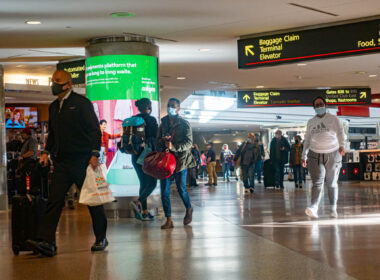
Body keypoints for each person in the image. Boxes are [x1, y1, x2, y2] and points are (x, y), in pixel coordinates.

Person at [27, 70, 108, 257]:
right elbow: (53, 134)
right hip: (62, 162)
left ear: (69, 84)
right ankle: (47, 241)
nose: (53, 84)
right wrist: (46, 152)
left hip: (83, 160)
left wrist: (95, 153)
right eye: (52, 80)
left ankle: (101, 237)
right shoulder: (54, 106)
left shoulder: (82, 104)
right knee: (54, 201)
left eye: (58, 81)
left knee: (92, 200)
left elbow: (95, 131)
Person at [303, 96, 345, 219]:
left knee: (331, 183)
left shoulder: (333, 119)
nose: (319, 106)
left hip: (333, 153)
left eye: (321, 104)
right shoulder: (311, 122)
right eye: (316, 105)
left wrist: (342, 145)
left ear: (325, 106)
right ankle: (314, 207)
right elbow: (307, 140)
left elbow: (340, 133)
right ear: (314, 108)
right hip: (314, 154)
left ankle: (333, 208)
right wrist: (303, 155)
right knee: (317, 182)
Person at [158, 98, 194, 229]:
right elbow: (157, 140)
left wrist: (173, 146)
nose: (170, 108)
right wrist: (162, 142)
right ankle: (168, 219)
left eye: (173, 106)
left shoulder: (184, 124)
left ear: (178, 108)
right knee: (164, 191)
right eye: (168, 105)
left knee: (181, 188)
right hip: (166, 161)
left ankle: (189, 208)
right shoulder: (163, 124)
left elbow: (189, 143)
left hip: (180, 161)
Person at [130, 98, 159, 221]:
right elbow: (155, 136)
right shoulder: (151, 120)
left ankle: (145, 212)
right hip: (147, 156)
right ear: (148, 106)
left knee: (143, 183)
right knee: (152, 182)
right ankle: (138, 202)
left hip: (135, 156)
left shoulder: (133, 119)